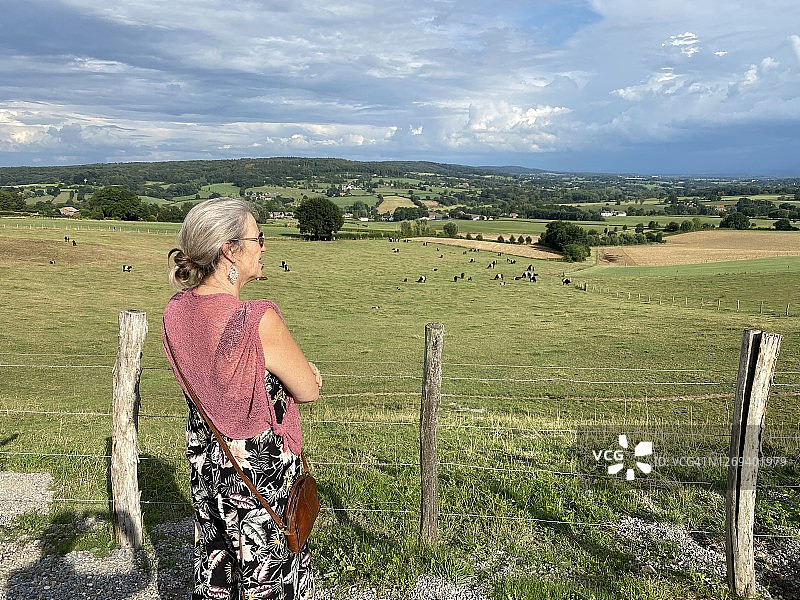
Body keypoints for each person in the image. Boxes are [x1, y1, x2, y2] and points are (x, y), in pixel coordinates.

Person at [161, 197, 321, 600]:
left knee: (217, 569)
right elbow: (308, 389)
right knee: (268, 575)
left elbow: (213, 380)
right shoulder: (256, 318)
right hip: (259, 474)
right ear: (230, 250)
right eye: (258, 238)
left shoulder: (176, 310)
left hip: (208, 462)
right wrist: (302, 376)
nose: (264, 247)